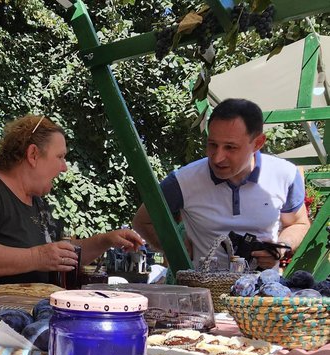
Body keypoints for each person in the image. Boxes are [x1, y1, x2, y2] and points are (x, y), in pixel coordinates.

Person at [0, 114, 144, 325]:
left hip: (16, 336)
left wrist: (105, 240)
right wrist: (36, 256)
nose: (64, 167)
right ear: (33, 155)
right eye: (60, 157)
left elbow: (59, 256)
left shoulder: (39, 205)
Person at [132, 98, 310, 270]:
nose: (217, 158)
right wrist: (176, 248)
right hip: (203, 294)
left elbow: (298, 224)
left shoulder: (285, 174)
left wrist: (280, 247)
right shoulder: (182, 181)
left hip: (262, 295)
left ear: (258, 143)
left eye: (230, 147)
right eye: (212, 144)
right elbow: (143, 222)